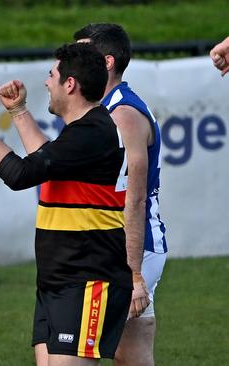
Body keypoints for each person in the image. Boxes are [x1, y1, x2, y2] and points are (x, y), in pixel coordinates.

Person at [0, 42, 132, 365]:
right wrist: (18, 112)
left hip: (85, 281)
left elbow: (20, 174)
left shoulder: (92, 133)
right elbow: (46, 160)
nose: (47, 83)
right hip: (58, 281)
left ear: (70, 84)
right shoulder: (84, 131)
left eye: (52, 75)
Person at [73, 23, 167, 366]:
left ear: (107, 61)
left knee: (73, 345)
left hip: (130, 248)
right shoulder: (106, 107)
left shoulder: (122, 114)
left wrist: (134, 273)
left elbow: (134, 198)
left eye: (83, 54)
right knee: (132, 352)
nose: (74, 62)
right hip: (124, 246)